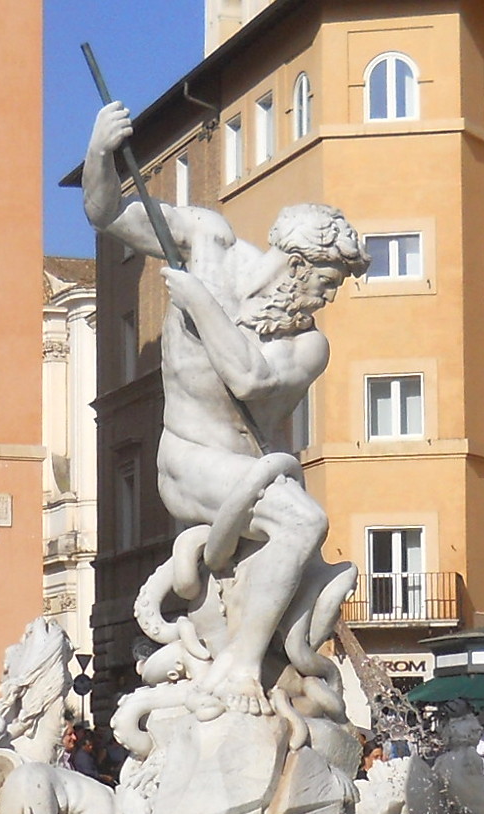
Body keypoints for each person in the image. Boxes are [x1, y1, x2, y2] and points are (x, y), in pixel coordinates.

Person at [85, 102, 369, 717]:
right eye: (327, 282)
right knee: (301, 523)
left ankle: (258, 654)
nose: (326, 297)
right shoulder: (205, 241)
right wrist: (100, 153)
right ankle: (239, 664)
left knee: (297, 527)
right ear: (298, 265)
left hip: (248, 468)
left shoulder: (308, 343)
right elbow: (105, 213)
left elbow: (247, 375)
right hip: (189, 459)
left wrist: (198, 302)